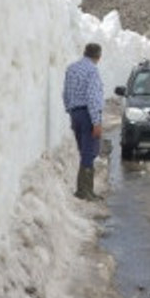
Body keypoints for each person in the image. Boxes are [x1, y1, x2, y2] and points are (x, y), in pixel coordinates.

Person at [62, 42, 104, 200]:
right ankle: (84, 191)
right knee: (89, 150)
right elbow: (92, 97)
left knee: (83, 149)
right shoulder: (92, 70)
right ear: (98, 56)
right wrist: (97, 122)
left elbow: (65, 93)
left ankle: (85, 190)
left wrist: (70, 110)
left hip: (75, 113)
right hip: (88, 115)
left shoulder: (72, 68)